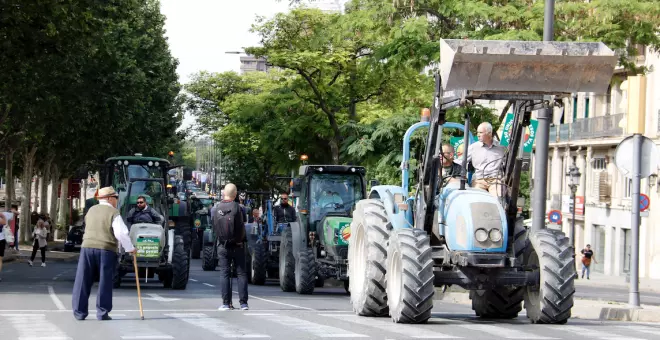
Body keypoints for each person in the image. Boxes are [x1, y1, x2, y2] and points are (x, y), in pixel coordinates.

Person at [72, 186, 136, 321]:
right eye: (116, 198)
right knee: (105, 281)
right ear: (109, 198)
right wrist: (130, 248)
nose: (117, 200)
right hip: (106, 248)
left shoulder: (90, 211)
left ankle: (79, 312)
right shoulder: (113, 212)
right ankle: (102, 312)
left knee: (83, 279)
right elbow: (120, 233)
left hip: (87, 247)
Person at [212, 183, 248, 311]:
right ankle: (244, 304)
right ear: (235, 194)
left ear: (223, 193)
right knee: (241, 273)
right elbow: (244, 222)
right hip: (238, 244)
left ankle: (226, 303)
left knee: (225, 273)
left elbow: (214, 225)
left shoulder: (215, 208)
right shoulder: (240, 208)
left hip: (223, 245)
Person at [467, 122, 507, 197]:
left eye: (481, 132)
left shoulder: (501, 147)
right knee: (478, 199)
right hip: (479, 180)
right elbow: (461, 161)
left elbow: (508, 163)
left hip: (495, 179)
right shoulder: (473, 147)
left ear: (489, 133)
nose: (478, 135)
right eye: (477, 132)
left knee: (498, 199)